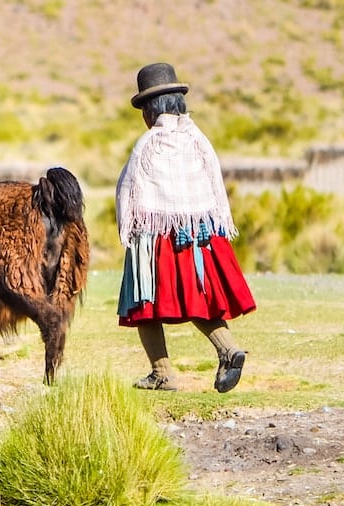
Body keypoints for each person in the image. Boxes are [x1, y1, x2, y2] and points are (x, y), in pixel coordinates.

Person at [115, 62, 257, 392]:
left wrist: (130, 230)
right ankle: (228, 349)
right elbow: (214, 185)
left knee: (143, 303)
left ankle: (162, 373)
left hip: (158, 239)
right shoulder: (198, 139)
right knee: (198, 297)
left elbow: (129, 189)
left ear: (150, 109)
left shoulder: (148, 144)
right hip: (203, 235)